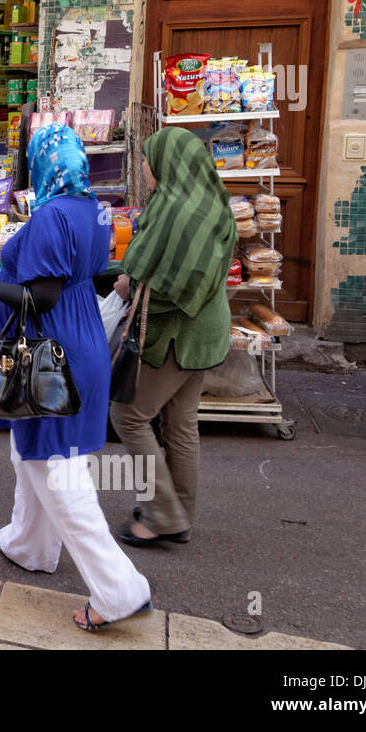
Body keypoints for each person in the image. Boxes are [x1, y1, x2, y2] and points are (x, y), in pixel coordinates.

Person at [0, 123, 151, 632]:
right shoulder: (96, 208)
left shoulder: (50, 217)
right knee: (33, 451)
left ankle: (119, 591)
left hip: (49, 351)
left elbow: (41, 298)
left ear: (41, 163)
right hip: (83, 343)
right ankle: (29, 545)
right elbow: (89, 273)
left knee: (60, 473)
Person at [110, 126, 236, 548]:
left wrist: (131, 288)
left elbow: (173, 289)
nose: (144, 167)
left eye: (147, 159)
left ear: (168, 164)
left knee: (128, 415)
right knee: (180, 422)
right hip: (206, 331)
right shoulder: (206, 198)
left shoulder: (180, 211)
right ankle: (178, 512)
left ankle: (163, 513)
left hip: (178, 333)